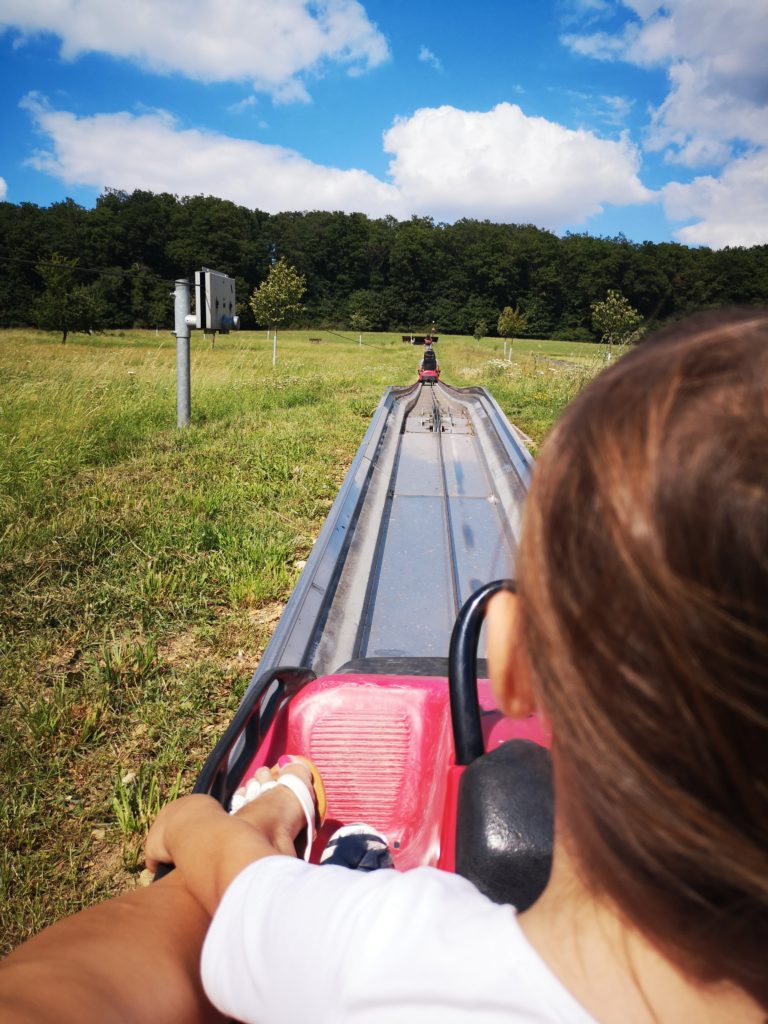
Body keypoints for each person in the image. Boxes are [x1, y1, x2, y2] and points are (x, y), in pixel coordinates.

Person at [1, 310, 766, 1023]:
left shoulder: (394, 952)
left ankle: (295, 812)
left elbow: (222, 887)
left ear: (513, 656)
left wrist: (209, 820)